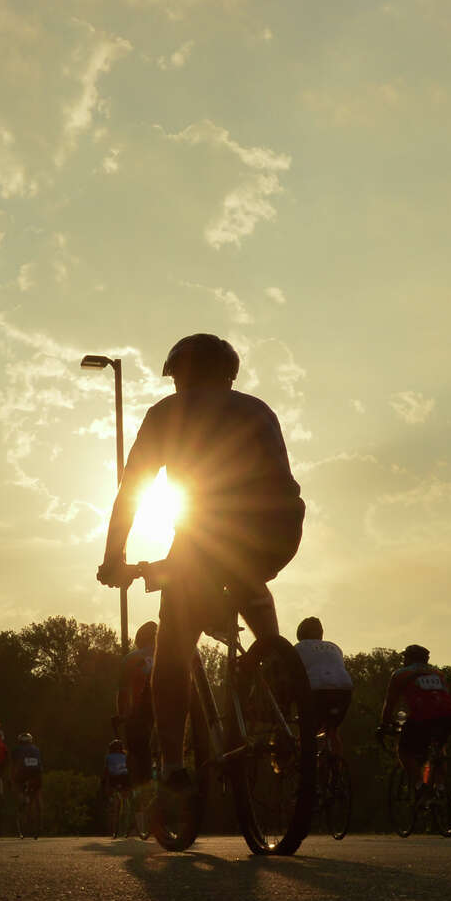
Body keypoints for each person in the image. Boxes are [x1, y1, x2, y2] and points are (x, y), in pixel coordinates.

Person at [97, 334, 304, 791]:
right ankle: (277, 667)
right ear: (228, 374)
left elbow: (132, 492)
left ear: (181, 375)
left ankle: (172, 766)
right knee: (246, 573)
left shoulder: (166, 414)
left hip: (211, 530)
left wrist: (114, 559)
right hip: (281, 529)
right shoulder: (258, 409)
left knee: (173, 648)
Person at [378, 645, 451, 788]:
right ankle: (440, 788)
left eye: (405, 658)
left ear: (409, 659)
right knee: (439, 748)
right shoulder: (438, 673)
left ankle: (419, 785)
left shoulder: (401, 674)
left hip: (423, 715)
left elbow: (390, 703)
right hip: (449, 714)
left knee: (404, 751)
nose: (403, 661)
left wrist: (384, 725)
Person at [294, 617, 354, 756]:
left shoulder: (299, 647)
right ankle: (336, 770)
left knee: (308, 732)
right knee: (332, 730)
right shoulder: (335, 647)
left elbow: (290, 673)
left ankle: (306, 765)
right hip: (344, 691)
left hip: (317, 691)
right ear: (321, 633)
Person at [117, 621, 157, 788]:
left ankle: (138, 793)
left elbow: (123, 693)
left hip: (139, 715)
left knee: (136, 755)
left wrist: (122, 716)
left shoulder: (131, 659)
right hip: (168, 713)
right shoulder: (170, 655)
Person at [102, 736, 131, 833]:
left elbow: (106, 772)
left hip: (114, 779)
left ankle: (114, 806)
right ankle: (129, 813)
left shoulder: (108, 757)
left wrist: (106, 786)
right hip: (125, 778)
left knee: (114, 796)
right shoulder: (126, 756)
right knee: (126, 795)